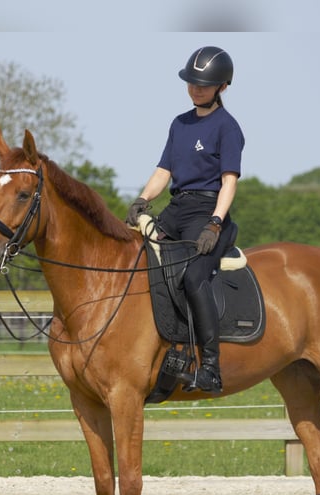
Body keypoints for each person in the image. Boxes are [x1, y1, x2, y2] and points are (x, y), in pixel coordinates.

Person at [125, 46, 245, 395]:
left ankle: (209, 366)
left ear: (223, 86)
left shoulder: (227, 127)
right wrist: (143, 199)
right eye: (192, 82)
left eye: (204, 84)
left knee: (193, 276)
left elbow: (229, 181)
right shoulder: (179, 123)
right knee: (138, 259)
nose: (196, 88)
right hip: (177, 208)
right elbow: (165, 170)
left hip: (207, 211)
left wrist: (215, 223)